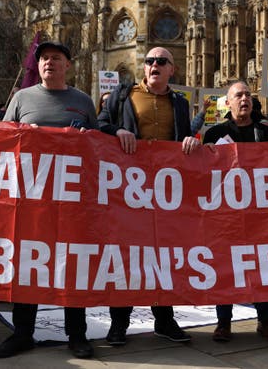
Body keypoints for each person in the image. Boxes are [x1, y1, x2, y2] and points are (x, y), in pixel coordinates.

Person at [0, 41, 97, 359]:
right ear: (37, 67)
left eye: (57, 58)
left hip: (71, 202)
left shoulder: (83, 101)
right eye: (44, 58)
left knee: (72, 265)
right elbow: (0, 138)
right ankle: (23, 333)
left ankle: (77, 334)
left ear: (68, 65)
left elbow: (96, 147)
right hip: (31, 200)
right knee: (28, 264)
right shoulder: (22, 98)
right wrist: (24, 132)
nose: (49, 62)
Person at [98, 46, 201, 346]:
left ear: (172, 70)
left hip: (165, 193)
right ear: (144, 68)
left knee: (163, 258)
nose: (154, 64)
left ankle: (165, 321)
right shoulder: (122, 95)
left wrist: (190, 142)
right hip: (128, 191)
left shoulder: (180, 104)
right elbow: (99, 125)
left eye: (161, 61)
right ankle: (119, 324)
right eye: (149, 61)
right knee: (126, 257)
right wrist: (117, 131)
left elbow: (183, 138)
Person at [202, 80, 268, 343]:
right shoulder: (215, 133)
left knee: (264, 265)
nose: (244, 99)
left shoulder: (266, 131)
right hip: (227, 212)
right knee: (225, 266)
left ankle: (265, 321)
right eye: (238, 95)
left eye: (248, 94)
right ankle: (223, 323)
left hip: (261, 211)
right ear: (229, 102)